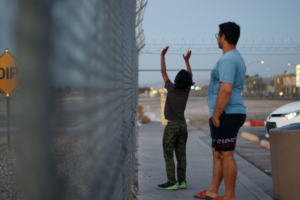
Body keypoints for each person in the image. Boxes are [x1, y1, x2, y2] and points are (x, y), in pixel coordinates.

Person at [194, 22, 247, 200]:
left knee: (226, 155)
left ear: (223, 37)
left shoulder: (228, 59)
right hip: (227, 112)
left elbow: (226, 90)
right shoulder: (234, 57)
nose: (217, 38)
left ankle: (230, 195)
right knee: (218, 153)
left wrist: (217, 115)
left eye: (218, 35)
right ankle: (212, 191)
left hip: (227, 113)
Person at [157, 46, 194, 190]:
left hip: (172, 126)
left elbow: (163, 72)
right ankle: (182, 182)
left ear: (176, 80)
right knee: (181, 155)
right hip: (183, 126)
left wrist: (162, 56)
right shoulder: (186, 91)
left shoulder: (171, 88)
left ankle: (171, 182)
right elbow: (189, 76)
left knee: (168, 154)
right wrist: (187, 61)